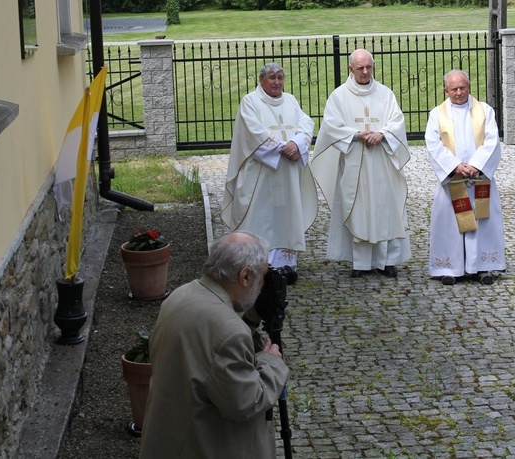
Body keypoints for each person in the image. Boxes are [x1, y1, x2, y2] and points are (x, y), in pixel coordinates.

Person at [139, 231, 289, 459]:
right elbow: (246, 402)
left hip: (170, 440)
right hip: (205, 446)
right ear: (245, 276)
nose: (262, 287)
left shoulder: (180, 295)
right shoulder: (228, 331)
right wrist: (272, 363)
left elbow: (208, 357)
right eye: (262, 277)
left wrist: (250, 321)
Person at [310, 49, 411, 278]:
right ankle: (360, 262)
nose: (365, 72)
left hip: (381, 163)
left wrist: (383, 134)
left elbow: (397, 122)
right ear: (350, 69)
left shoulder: (385, 94)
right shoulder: (339, 96)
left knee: (384, 209)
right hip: (354, 162)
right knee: (357, 209)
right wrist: (357, 134)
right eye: (360, 68)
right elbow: (331, 126)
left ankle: (387, 261)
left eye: (369, 67)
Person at [221, 62, 317, 278]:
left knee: (286, 215)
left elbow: (305, 123)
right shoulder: (250, 102)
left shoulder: (290, 100)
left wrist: (298, 143)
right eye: (272, 77)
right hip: (260, 174)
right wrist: (283, 148)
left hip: (288, 173)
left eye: (280, 77)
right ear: (261, 79)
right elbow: (253, 133)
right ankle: (256, 265)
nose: (277, 82)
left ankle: (286, 266)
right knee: (261, 216)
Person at [424, 70, 506, 286]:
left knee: (481, 222)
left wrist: (476, 166)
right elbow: (433, 145)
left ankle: (482, 266)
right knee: (451, 223)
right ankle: (450, 267)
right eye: (454, 89)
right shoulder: (437, 114)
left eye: (463, 87)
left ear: (469, 87)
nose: (459, 92)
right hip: (453, 180)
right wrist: (455, 167)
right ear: (446, 90)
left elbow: (492, 141)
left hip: (479, 180)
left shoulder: (485, 111)